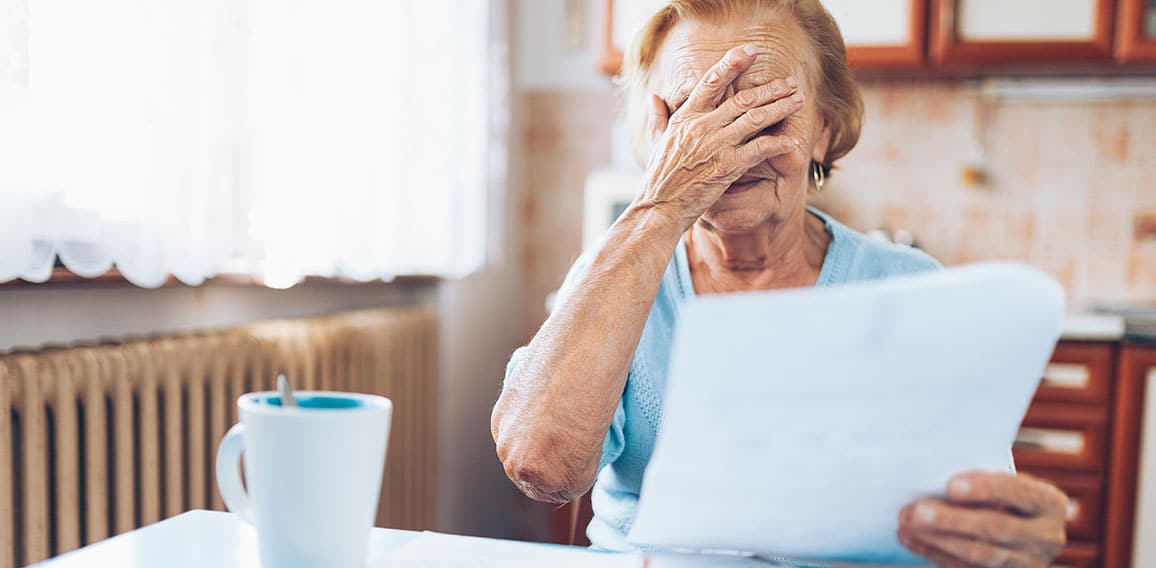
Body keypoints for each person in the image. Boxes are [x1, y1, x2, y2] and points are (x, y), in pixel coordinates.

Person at [491, 1, 1069, 565]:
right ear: (658, 139)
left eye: (765, 114)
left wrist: (1005, 543)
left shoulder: (913, 289)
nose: (728, 150)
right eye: (697, 117)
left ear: (823, 131)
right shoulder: (617, 280)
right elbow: (539, 464)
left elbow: (977, 519)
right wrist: (663, 203)